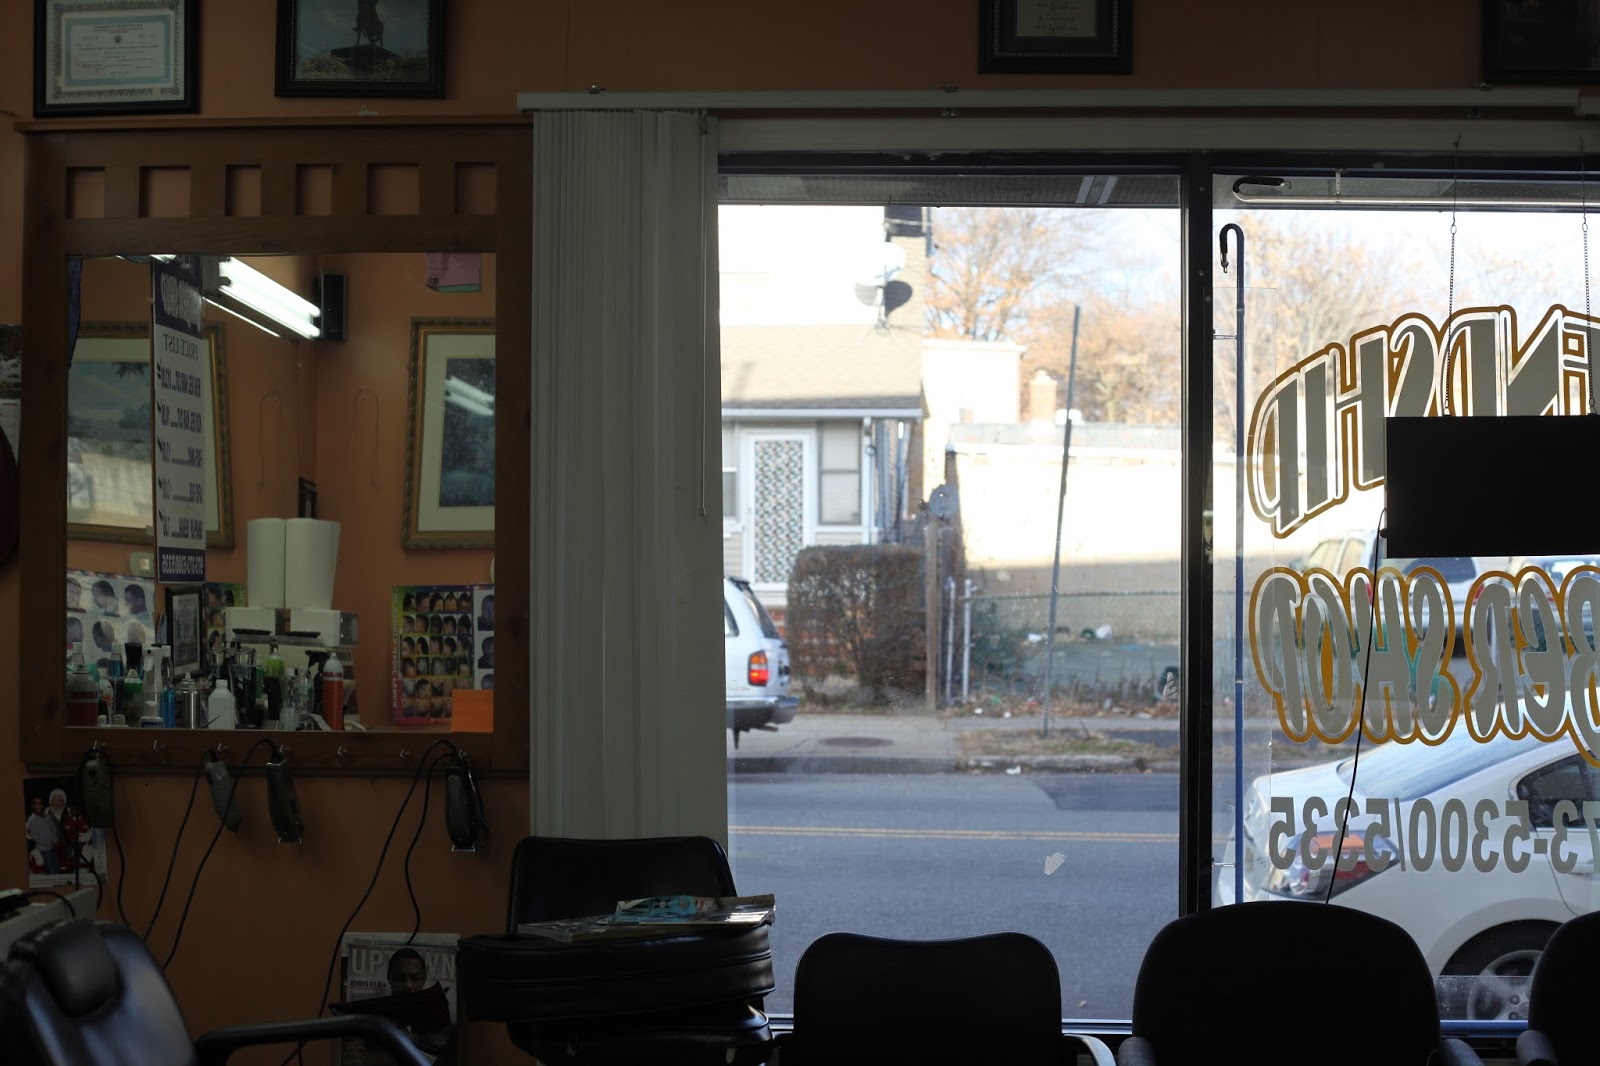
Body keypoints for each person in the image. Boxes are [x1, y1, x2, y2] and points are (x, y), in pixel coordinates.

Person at [26, 794, 61, 875]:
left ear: (43, 805)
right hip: (44, 848)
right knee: (50, 867)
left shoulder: (47, 816)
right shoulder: (33, 821)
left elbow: (53, 829)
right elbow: (35, 837)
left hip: (53, 845)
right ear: (32, 806)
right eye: (36, 804)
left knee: (57, 865)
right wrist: (48, 843)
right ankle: (53, 883)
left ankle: (58, 882)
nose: (38, 806)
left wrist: (55, 840)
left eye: (40, 804)